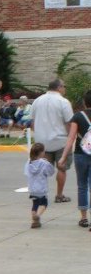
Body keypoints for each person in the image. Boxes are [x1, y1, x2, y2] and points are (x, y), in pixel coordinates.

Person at [31, 78, 74, 203]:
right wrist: (71, 137)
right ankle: (59, 195)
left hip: (41, 142)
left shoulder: (37, 101)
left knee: (42, 170)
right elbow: (69, 123)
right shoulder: (63, 102)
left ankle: (40, 195)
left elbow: (32, 122)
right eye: (64, 86)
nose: (64, 89)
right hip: (60, 141)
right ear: (59, 87)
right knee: (62, 168)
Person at [58, 91, 91, 229]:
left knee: (82, 185)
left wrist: (63, 157)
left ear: (84, 102)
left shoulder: (78, 116)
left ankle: (83, 218)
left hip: (80, 154)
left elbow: (71, 139)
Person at [25, 142, 55, 228]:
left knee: (35, 204)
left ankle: (34, 221)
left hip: (32, 189)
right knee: (43, 204)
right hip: (41, 188)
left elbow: (26, 173)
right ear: (41, 153)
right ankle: (38, 215)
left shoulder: (29, 162)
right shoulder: (44, 163)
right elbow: (50, 172)